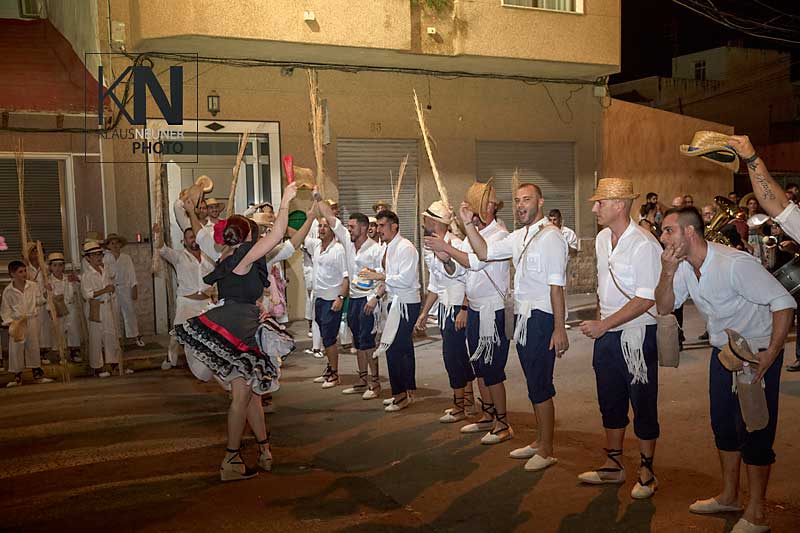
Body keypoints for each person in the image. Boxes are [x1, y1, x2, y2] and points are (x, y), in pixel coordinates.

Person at [655, 206, 794, 533]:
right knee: (724, 427)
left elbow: (784, 302)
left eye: (668, 230)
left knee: (756, 429)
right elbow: (663, 307)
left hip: (755, 354)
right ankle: (730, 496)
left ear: (690, 232)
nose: (662, 238)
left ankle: (757, 512)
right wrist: (667, 273)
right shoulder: (685, 267)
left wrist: (772, 352)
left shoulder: (733, 264)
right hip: (724, 354)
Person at [173, 183, 298, 481]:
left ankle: (264, 450)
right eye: (256, 231)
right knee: (242, 397)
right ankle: (231, 460)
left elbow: (202, 235)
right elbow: (278, 235)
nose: (260, 235)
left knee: (251, 395)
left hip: (237, 322)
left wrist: (192, 213)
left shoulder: (226, 254)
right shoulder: (243, 256)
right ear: (248, 237)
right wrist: (285, 201)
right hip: (238, 330)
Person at [459, 183, 568, 469]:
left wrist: (559, 328)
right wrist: (467, 223)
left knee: (541, 384)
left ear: (540, 202)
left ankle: (547, 449)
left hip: (542, 317)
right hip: (522, 317)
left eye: (527, 199)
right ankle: (539, 441)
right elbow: (483, 253)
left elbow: (556, 287)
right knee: (533, 382)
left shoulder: (552, 237)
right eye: (517, 200)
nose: (521, 205)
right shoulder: (519, 236)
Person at [578, 177, 662, 499]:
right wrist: (603, 322)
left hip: (637, 336)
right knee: (610, 399)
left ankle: (647, 470)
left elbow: (646, 299)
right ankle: (613, 464)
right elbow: (604, 287)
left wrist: (604, 325)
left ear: (619, 205)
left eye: (600, 203)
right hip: (608, 334)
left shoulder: (644, 244)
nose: (595, 209)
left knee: (642, 401)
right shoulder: (602, 239)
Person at [423, 182, 515, 452]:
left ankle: (502, 422)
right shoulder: (471, 235)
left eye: (479, 207)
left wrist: (448, 249)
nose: (475, 213)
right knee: (479, 365)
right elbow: (460, 272)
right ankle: (487, 414)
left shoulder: (500, 235)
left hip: (492, 309)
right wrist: (446, 259)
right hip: (475, 307)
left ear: (492, 208)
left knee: (493, 368)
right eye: (473, 208)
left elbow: (477, 260)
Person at [319, 203, 384, 399]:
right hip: (354, 299)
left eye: (352, 227)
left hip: (368, 300)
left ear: (363, 228)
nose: (349, 229)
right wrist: (318, 198)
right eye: (348, 227)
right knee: (358, 341)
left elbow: (384, 277)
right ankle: (362, 380)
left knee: (368, 342)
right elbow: (332, 219)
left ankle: (375, 383)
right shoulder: (348, 242)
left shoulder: (375, 250)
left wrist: (375, 299)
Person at [417, 201, 474, 423]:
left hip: (458, 307)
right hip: (445, 307)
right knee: (455, 356)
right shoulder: (430, 247)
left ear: (435, 222)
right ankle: (467, 402)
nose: (424, 223)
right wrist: (424, 312)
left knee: (455, 356)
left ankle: (461, 405)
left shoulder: (456, 244)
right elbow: (435, 284)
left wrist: (464, 309)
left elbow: (467, 278)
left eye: (426, 219)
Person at [359, 210, 421, 412]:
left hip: (405, 303)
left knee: (395, 349)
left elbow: (406, 279)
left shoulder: (405, 247)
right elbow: (389, 275)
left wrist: (379, 276)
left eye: (382, 225)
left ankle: (400, 395)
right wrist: (376, 282)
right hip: (394, 302)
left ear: (394, 226)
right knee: (403, 349)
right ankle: (407, 390)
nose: (378, 229)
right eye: (377, 225)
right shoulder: (388, 247)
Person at [154, 224, 216, 370]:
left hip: (206, 301)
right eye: (190, 237)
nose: (193, 240)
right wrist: (158, 234)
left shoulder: (209, 257)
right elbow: (162, 249)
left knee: (209, 333)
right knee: (178, 332)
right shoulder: (178, 256)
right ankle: (170, 358)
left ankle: (206, 362)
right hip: (187, 301)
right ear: (184, 241)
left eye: (195, 236)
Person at [305, 216, 349, 389]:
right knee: (324, 336)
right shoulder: (316, 246)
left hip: (332, 299)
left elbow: (346, 277)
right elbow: (297, 237)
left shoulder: (338, 250)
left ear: (333, 230)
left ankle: (335, 374)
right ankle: (329, 369)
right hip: (319, 298)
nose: (322, 229)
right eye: (320, 226)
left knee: (330, 338)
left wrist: (340, 298)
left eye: (326, 226)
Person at [1, 261, 54, 388]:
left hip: (31, 319)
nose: (24, 274)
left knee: (33, 346)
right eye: (20, 272)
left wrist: (46, 293)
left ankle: (37, 374)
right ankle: (17, 376)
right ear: (12, 274)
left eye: (25, 271)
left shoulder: (32, 286)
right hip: (17, 322)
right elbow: (5, 310)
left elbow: (39, 301)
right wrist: (11, 323)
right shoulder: (8, 291)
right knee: (16, 349)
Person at [81, 241, 129, 377]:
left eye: (99, 254)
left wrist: (110, 289)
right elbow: (87, 294)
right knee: (96, 337)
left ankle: (113, 363)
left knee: (110, 334)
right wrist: (104, 290)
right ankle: (97, 367)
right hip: (95, 307)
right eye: (94, 255)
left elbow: (110, 285)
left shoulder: (104, 270)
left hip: (107, 305)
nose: (98, 257)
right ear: (88, 258)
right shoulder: (87, 275)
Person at [105, 233, 144, 347]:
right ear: (108, 246)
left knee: (130, 312)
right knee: (114, 313)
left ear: (120, 244)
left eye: (117, 243)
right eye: (112, 243)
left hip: (125, 288)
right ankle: (117, 338)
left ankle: (135, 336)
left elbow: (132, 273)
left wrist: (134, 287)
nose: (115, 245)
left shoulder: (126, 258)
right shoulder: (105, 258)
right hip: (112, 289)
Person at [47, 252, 82, 363]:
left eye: (60, 265)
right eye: (55, 265)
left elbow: (79, 288)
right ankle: (60, 353)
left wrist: (77, 280)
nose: (58, 268)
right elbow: (47, 298)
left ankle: (74, 351)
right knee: (59, 330)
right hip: (57, 309)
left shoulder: (68, 279)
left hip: (70, 308)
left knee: (73, 329)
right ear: (50, 267)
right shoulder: (48, 281)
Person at [24, 244, 51, 367]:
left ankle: (44, 352)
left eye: (38, 251)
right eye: (33, 251)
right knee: (34, 330)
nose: (36, 254)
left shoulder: (45, 268)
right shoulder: (26, 269)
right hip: (32, 304)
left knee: (45, 328)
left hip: (45, 301)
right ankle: (34, 355)